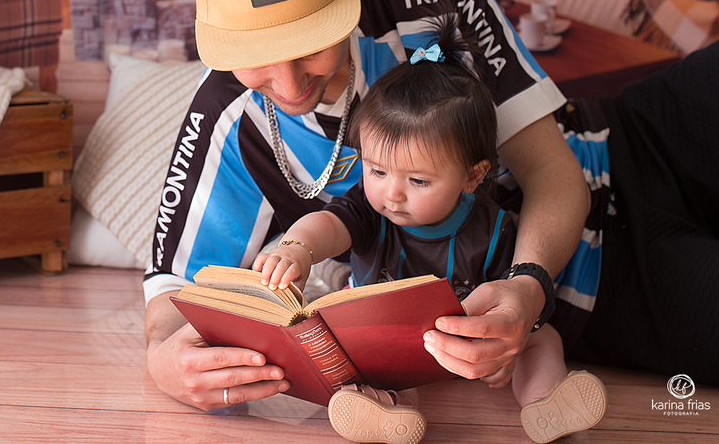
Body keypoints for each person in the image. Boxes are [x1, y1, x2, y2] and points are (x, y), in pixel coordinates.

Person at [145, 0, 719, 409]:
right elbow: (169, 296)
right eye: (260, 60)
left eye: (310, 46)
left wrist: (523, 286)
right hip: (608, 284)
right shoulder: (226, 121)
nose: (289, 85)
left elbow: (552, 169)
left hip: (644, 138)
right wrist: (162, 364)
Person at [254, 23, 607, 444]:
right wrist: (297, 247)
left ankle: (547, 400)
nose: (392, 194)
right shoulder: (371, 208)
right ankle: (386, 411)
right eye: (377, 170)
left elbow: (510, 296)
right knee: (371, 359)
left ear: (473, 178)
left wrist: (506, 346)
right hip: (391, 337)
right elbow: (328, 224)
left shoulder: (494, 227)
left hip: (464, 339)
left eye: (418, 181)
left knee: (541, 338)